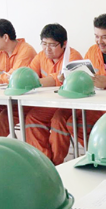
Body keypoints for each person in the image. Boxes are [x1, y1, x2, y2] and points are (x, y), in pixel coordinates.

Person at [24, 21, 82, 163]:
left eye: (52, 45)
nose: (47, 49)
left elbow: (57, 79)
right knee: (32, 117)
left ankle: (56, 163)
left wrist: (35, 82)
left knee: (58, 120)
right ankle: (43, 161)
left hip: (70, 105)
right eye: (44, 44)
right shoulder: (40, 56)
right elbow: (29, 75)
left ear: (64, 44)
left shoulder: (73, 57)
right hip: (49, 103)